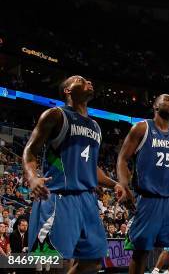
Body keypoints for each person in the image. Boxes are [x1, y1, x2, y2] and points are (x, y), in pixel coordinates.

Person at [23, 75, 128, 273]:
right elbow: (29, 151)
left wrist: (114, 183)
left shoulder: (95, 127)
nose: (88, 81)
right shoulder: (55, 115)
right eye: (80, 80)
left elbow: (91, 167)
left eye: (89, 79)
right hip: (58, 198)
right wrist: (32, 177)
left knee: (93, 262)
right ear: (67, 90)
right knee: (53, 266)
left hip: (87, 200)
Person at [117, 94, 169, 274]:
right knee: (141, 252)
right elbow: (122, 159)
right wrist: (123, 185)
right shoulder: (141, 128)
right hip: (147, 199)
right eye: (167, 99)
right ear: (155, 105)